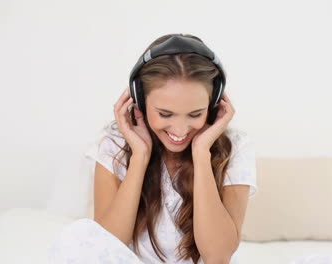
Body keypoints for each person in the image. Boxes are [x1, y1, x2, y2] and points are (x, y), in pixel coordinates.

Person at [48, 33, 257, 264]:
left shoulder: (234, 146)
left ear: (213, 104)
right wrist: (140, 155)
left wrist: (201, 154)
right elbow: (105, 246)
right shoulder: (114, 142)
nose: (180, 129)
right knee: (75, 237)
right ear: (140, 100)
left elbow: (218, 257)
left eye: (195, 114)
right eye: (165, 114)